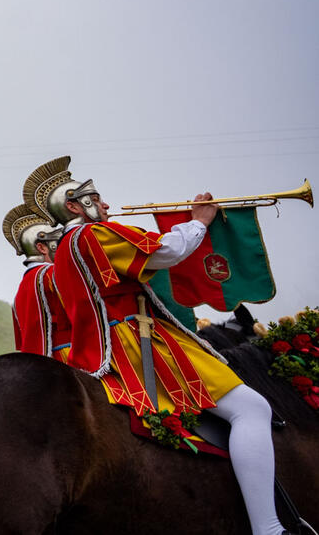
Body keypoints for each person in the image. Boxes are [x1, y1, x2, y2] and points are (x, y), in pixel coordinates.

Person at [28, 156, 292, 535]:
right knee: (251, 409)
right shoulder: (93, 235)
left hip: (106, 347)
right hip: (138, 342)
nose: (105, 205)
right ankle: (269, 528)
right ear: (73, 206)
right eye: (96, 198)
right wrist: (199, 220)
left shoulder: (66, 248)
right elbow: (164, 251)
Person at [2, 203, 69, 359]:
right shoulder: (51, 274)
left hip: (42, 360)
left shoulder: (22, 289)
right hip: (67, 356)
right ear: (42, 248)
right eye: (58, 243)